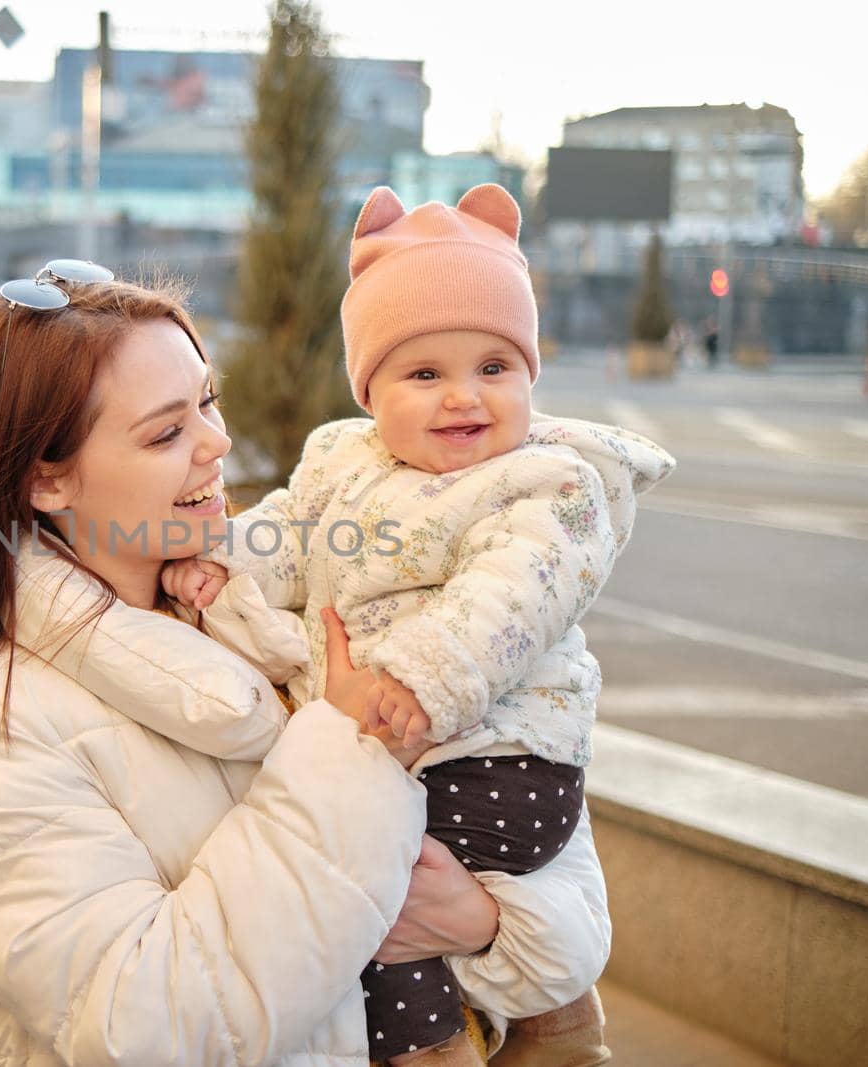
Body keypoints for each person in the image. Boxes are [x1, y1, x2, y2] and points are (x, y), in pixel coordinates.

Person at [0, 261, 613, 1066]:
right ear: (47, 476)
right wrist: (352, 757)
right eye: (167, 431)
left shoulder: (278, 592)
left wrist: (488, 926)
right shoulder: (2, 722)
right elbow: (140, 1027)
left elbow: (559, 851)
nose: (219, 443)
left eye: (208, 400)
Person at [163, 186, 673, 1066]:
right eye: (425, 373)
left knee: (361, 901)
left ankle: (459, 1044)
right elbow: (291, 530)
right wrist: (232, 561)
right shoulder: (342, 461)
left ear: (528, 374)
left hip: (495, 762)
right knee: (381, 925)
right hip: (411, 756)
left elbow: (514, 595)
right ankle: (473, 1040)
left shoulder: (546, 486)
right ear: (371, 391)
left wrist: (419, 677)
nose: (462, 397)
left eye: (493, 367)